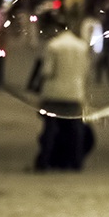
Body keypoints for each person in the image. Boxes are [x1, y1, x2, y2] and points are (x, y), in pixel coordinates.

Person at [33, 28, 93, 172]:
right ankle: (76, 161)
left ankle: (44, 161)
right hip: (75, 92)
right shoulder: (82, 46)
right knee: (76, 129)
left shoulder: (53, 45)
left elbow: (47, 70)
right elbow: (85, 71)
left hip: (54, 92)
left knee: (50, 128)